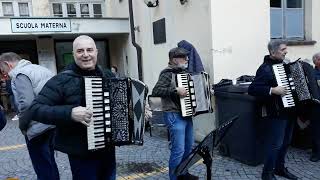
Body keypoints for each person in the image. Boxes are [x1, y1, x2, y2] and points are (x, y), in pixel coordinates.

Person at [29, 35, 116, 180]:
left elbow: (121, 100)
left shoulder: (107, 75)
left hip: (107, 149)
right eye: (80, 51)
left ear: (96, 52)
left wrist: (137, 109)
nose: (86, 55)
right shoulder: (61, 80)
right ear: (73, 54)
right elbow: (35, 109)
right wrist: (69, 113)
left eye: (90, 50)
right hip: (80, 153)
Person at [0, 52, 59, 180]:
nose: (4, 73)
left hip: (37, 128)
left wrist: (22, 125)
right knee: (50, 163)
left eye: (2, 69)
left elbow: (26, 105)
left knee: (42, 166)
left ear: (7, 64)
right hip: (52, 123)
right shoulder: (41, 69)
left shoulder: (20, 74)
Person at [248, 40, 298, 180]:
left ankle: (280, 168)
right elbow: (253, 89)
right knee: (275, 144)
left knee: (286, 142)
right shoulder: (265, 68)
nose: (286, 51)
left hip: (289, 110)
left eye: (285, 49)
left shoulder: (284, 65)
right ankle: (267, 173)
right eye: (283, 49)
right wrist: (272, 90)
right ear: (272, 52)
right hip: (276, 112)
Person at [152, 47, 198, 180]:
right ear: (174, 59)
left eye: (187, 57)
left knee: (188, 148)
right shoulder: (167, 73)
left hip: (187, 115)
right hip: (173, 115)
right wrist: (175, 90)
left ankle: (183, 173)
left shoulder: (184, 73)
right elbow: (156, 91)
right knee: (178, 150)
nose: (187, 60)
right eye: (184, 57)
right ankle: (174, 177)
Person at [309, 52, 320, 162]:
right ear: (315, 61)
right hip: (316, 106)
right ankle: (316, 153)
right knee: (316, 130)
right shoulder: (312, 73)